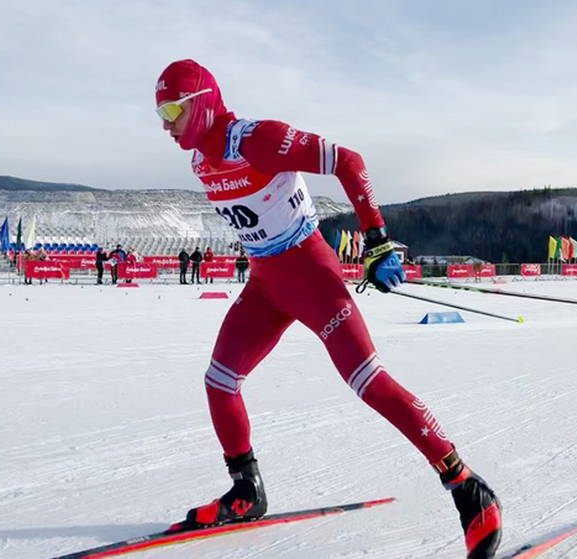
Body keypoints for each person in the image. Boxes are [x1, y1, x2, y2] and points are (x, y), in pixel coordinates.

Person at [154, 59, 501, 558]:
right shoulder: (200, 160)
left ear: (202, 103)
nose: (165, 124)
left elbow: (349, 160)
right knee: (219, 382)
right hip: (267, 285)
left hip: (312, 275)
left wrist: (378, 240)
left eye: (171, 109)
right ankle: (247, 491)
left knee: (369, 381)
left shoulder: (256, 139)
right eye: (159, 113)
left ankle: (469, 489)